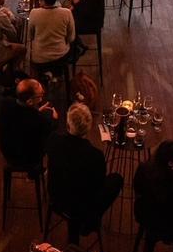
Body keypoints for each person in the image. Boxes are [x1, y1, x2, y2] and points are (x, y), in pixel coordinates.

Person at [46, 104, 123, 244]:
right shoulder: (95, 155)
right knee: (116, 179)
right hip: (81, 206)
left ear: (68, 124)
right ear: (88, 127)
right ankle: (89, 222)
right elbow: (98, 186)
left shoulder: (53, 140)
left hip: (56, 196)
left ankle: (84, 223)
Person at [133, 141, 173, 241]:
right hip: (168, 224)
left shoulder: (144, 168)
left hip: (144, 214)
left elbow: (137, 189)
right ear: (171, 163)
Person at [0, 78, 57, 170]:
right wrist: (54, 118)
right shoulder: (38, 119)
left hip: (7, 150)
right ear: (29, 101)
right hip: (27, 159)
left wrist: (36, 111)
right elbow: (49, 128)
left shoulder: (5, 103)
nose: (42, 97)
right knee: (50, 138)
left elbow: (22, 119)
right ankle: (34, 173)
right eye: (40, 95)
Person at [28, 0, 76, 77]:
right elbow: (71, 38)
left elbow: (31, 36)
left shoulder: (34, 13)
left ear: (42, 0)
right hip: (61, 56)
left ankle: (41, 81)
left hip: (39, 58)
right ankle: (57, 74)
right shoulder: (67, 13)